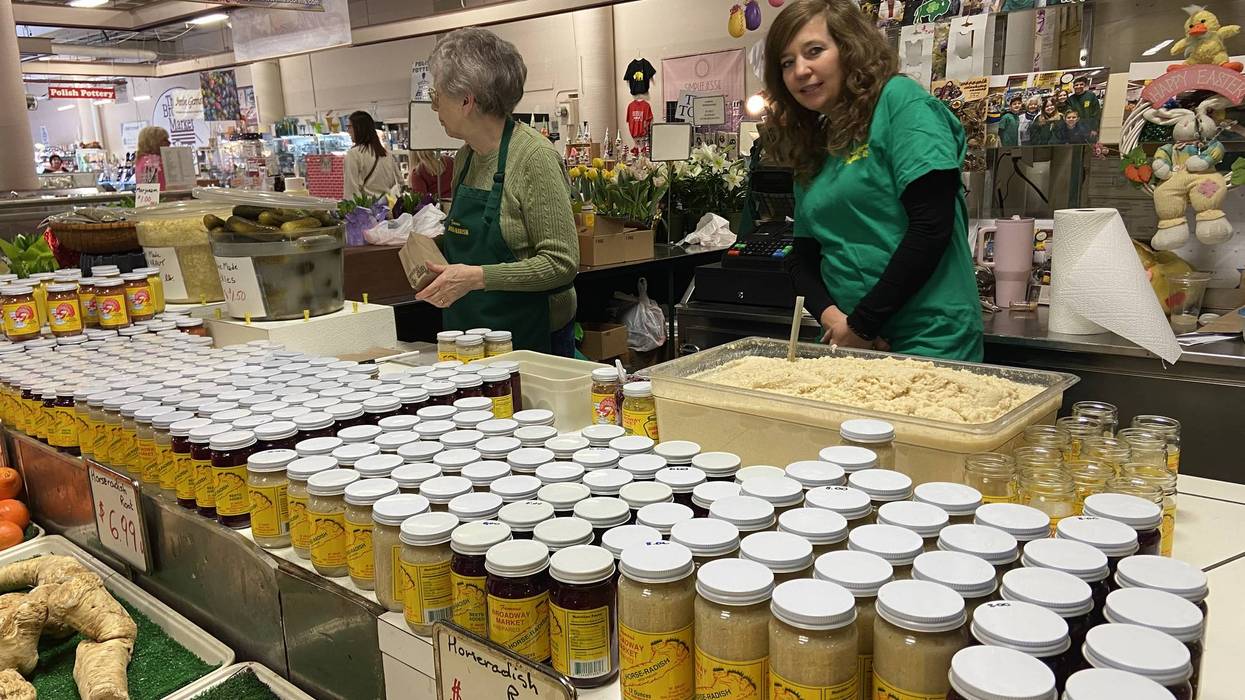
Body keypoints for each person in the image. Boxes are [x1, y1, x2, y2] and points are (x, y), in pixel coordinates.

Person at [767, 0, 983, 361]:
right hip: (852, 338)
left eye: (814, 51)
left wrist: (863, 325)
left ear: (850, 49)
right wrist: (836, 321)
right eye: (787, 63)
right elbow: (802, 257)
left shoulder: (900, 103)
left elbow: (931, 227)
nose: (800, 71)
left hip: (929, 336)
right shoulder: (815, 143)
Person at [415, 27, 580, 356]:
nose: (434, 108)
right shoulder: (465, 157)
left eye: (437, 96)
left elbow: (562, 263)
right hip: (470, 340)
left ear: (466, 100)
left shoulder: (533, 159)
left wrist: (476, 278)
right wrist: (428, 251)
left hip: (531, 343)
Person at [342, 111, 402, 200]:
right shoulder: (386, 154)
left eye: (349, 127)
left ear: (358, 128)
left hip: (368, 210)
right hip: (389, 207)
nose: (348, 131)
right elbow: (399, 181)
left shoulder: (353, 154)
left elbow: (351, 191)